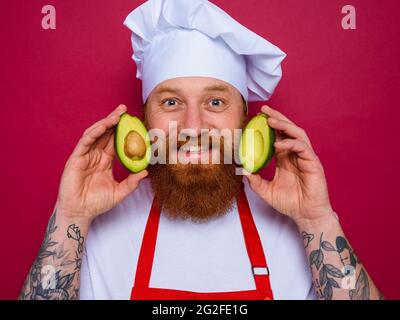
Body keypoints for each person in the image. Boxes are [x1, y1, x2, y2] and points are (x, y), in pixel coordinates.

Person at [19, 0, 383, 300]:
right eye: (172, 102)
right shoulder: (93, 227)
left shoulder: (296, 224)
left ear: (246, 118)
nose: (193, 127)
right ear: (145, 120)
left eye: (215, 102)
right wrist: (69, 218)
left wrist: (317, 221)